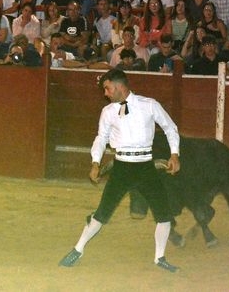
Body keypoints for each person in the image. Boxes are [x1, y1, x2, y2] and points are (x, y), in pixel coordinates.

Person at [58, 68, 180, 272]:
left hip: (146, 167)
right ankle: (77, 249)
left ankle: (160, 258)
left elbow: (170, 127)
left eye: (107, 88)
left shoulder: (149, 105)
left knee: (164, 215)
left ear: (118, 86)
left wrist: (174, 154)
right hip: (121, 167)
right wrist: (95, 162)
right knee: (101, 213)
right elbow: (101, 138)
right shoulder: (108, 112)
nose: (105, 93)